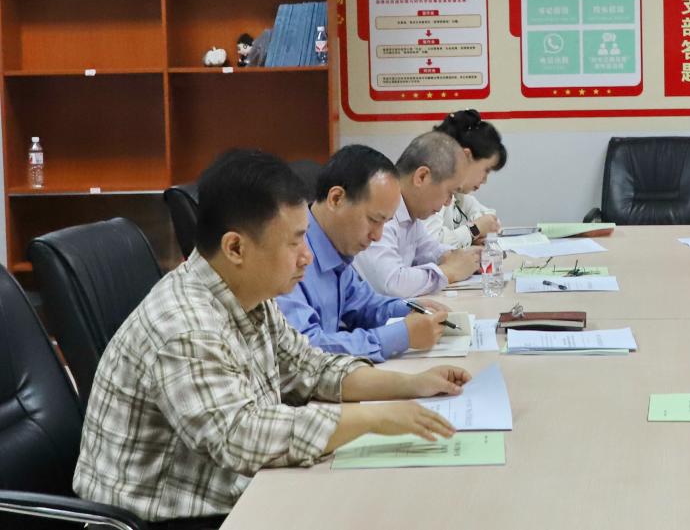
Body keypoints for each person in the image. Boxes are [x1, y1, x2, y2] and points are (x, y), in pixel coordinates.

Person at [74, 149, 471, 526]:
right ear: (235, 248)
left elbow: (310, 368)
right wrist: (374, 417)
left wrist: (409, 385)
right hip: (165, 518)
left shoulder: (250, 295)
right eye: (294, 242)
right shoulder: (184, 326)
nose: (307, 256)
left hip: (235, 489)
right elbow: (240, 436)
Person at [277, 145, 451, 362]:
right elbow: (305, 349)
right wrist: (402, 335)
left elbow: (364, 305)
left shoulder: (335, 247)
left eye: (385, 223)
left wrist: (410, 309)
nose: (377, 236)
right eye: (373, 220)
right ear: (336, 199)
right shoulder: (290, 255)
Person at [355, 131, 482, 297]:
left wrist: (462, 257)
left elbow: (430, 250)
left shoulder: (411, 213)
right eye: (449, 192)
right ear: (422, 177)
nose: (448, 202)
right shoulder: (381, 211)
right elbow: (391, 284)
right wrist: (449, 272)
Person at [425, 109, 506, 248]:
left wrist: (477, 232)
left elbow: (490, 219)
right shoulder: (431, 187)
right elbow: (431, 244)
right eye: (486, 170)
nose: (485, 180)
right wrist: (474, 230)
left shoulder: (458, 194)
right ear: (465, 157)